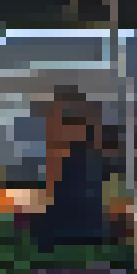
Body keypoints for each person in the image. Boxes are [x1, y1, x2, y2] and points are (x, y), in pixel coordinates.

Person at [30, 86, 115, 251]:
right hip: (94, 232)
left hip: (64, 233)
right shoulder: (95, 147)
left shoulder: (61, 145)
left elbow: (50, 191)